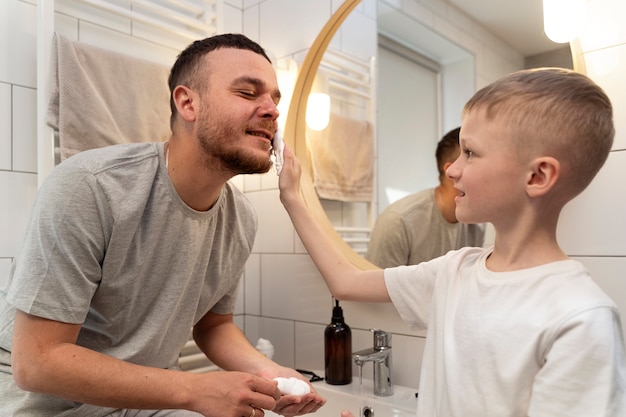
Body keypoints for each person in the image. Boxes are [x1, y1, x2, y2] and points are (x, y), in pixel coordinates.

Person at [0, 34, 325, 417]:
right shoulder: (91, 186)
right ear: (188, 103)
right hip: (46, 406)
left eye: (274, 99)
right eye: (247, 92)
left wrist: (272, 375)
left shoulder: (241, 218)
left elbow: (214, 326)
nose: (271, 110)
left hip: (146, 402)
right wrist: (193, 389)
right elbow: (37, 362)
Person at [279, 68, 626, 416]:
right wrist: (293, 198)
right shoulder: (455, 270)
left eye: (470, 153)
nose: (452, 170)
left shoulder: (581, 319)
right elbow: (346, 281)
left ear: (537, 176)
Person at [365, 127, 485, 267]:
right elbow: (374, 287)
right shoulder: (399, 222)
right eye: (473, 160)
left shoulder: (476, 226)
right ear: (451, 172)